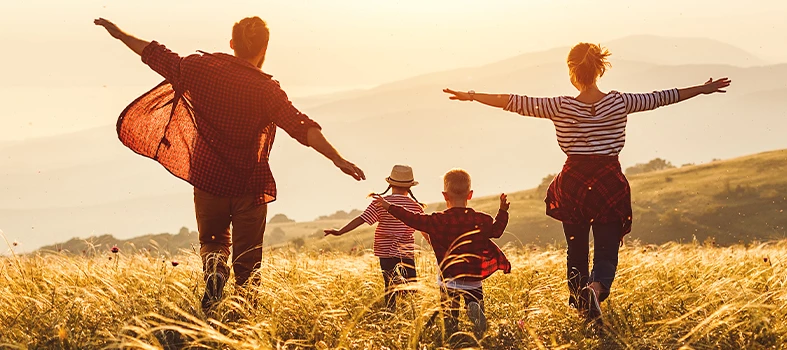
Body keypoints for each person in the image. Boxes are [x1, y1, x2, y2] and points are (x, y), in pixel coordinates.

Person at [443, 42, 731, 323]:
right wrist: (702, 89)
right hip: (609, 183)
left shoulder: (559, 106)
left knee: (576, 250)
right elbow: (662, 97)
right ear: (599, 70)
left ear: (572, 72)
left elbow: (512, 102)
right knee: (607, 249)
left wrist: (471, 95)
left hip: (574, 185)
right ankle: (595, 289)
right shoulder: (620, 102)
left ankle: (582, 303)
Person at [94, 17, 366, 312]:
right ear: (264, 49)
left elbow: (154, 53)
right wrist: (337, 158)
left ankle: (214, 273)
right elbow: (300, 125)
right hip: (249, 185)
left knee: (212, 243)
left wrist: (120, 34)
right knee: (248, 260)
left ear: (233, 44)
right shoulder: (266, 90)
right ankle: (244, 320)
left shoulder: (198, 69)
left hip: (208, 179)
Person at [373, 169, 510, 339]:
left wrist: (389, 207)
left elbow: (412, 218)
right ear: (470, 194)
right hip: (474, 278)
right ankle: (475, 310)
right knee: (474, 300)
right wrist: (503, 211)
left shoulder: (437, 220)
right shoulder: (481, 220)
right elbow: (496, 231)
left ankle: (452, 333)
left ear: (445, 196)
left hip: (449, 278)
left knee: (449, 315)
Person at [325, 165, 425, 310]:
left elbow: (361, 219)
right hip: (406, 252)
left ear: (390, 184)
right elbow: (425, 229)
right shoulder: (415, 206)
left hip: (384, 251)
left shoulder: (379, 203)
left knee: (389, 284)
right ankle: (407, 312)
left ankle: (390, 313)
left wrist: (340, 231)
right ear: (410, 186)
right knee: (412, 284)